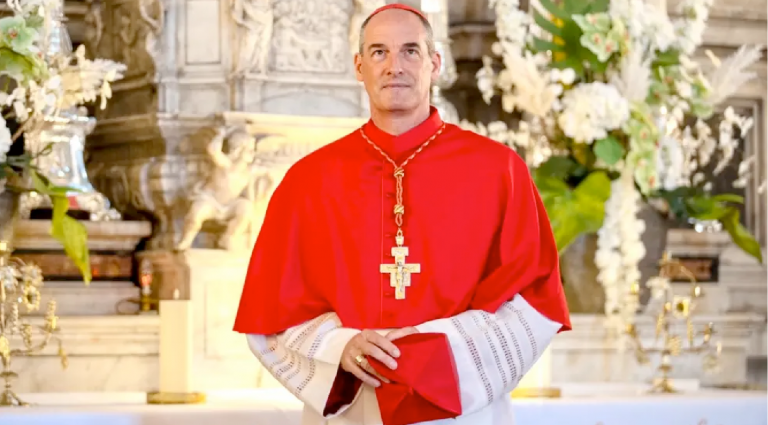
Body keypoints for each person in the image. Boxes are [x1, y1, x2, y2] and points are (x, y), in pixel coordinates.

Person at [233, 3, 571, 425]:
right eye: (379, 52)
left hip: (460, 407)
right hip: (353, 405)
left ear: (435, 63)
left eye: (411, 51)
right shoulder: (309, 180)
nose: (395, 66)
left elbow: (534, 301)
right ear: (359, 66)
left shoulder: (499, 170)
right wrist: (340, 346)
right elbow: (271, 313)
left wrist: (431, 350)